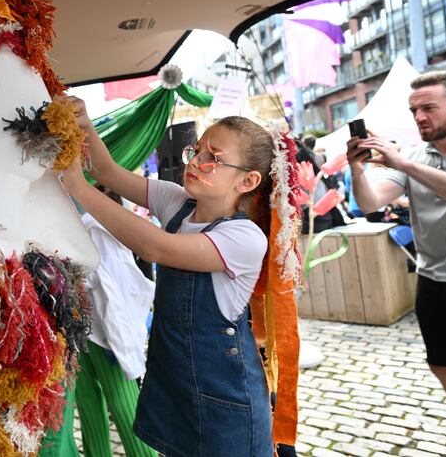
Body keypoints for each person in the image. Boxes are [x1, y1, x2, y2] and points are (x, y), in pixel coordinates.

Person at [59, 99, 277, 457]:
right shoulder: (176, 201)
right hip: (176, 387)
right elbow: (108, 172)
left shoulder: (245, 238)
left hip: (226, 399)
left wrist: (78, 190)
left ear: (248, 180)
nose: (195, 161)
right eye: (198, 149)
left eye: (214, 158)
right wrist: (83, 123)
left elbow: (156, 247)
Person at [346, 70, 446, 401]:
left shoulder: (408, 161)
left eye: (429, 108)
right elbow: (369, 202)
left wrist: (404, 165)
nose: (419, 117)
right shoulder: (412, 156)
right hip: (433, 281)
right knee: (442, 364)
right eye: (414, 111)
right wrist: (357, 169)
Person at [39, 188, 157, 457]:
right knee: (100, 404)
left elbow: (110, 288)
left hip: (98, 333)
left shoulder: (94, 229)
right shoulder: (95, 228)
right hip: (89, 333)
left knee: (116, 404)